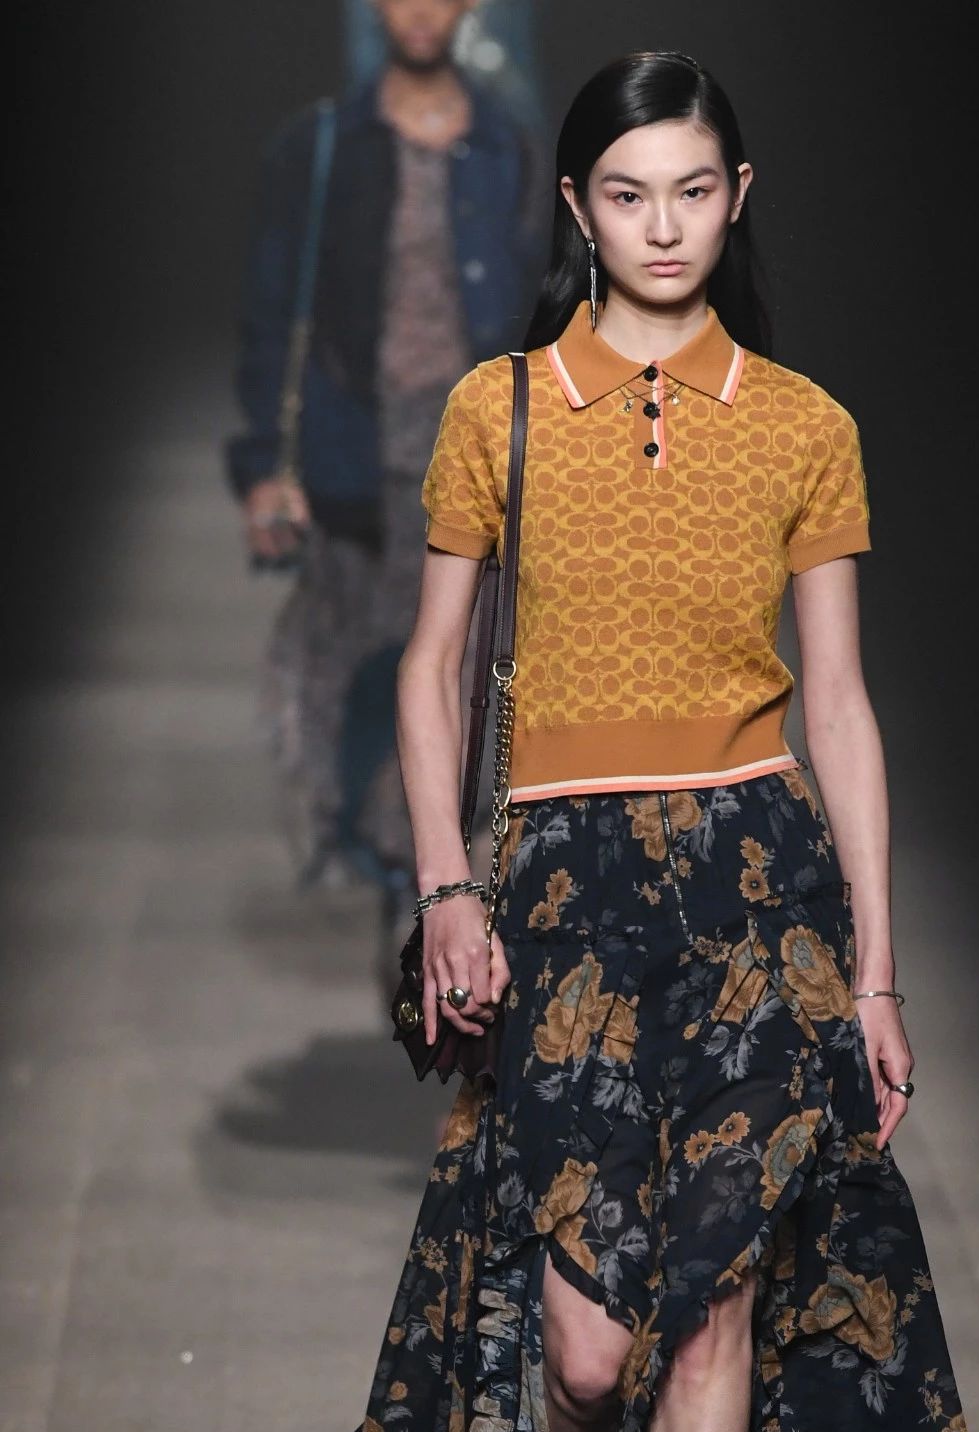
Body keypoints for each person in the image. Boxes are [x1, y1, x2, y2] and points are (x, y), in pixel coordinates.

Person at [221, 48, 979, 1432]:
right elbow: (432, 666)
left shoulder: (805, 425)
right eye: (630, 194)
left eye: (696, 190)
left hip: (755, 896)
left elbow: (839, 705)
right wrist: (445, 886)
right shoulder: (499, 410)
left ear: (742, 199)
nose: (665, 226)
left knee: (716, 1303)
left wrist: (877, 973)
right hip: (566, 895)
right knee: (585, 1345)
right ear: (577, 208)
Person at [227, 0, 542, 983]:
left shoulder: (508, 148)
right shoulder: (318, 147)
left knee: (468, 676)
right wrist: (263, 467)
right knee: (348, 677)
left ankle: (427, 879)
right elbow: (273, 313)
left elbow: (545, 317)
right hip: (351, 458)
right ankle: (393, 859)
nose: (420, 8)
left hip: (476, 460)